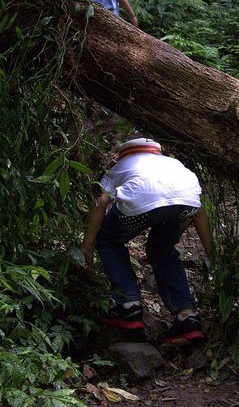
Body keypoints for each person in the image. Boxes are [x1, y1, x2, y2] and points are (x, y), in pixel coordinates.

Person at [81, 137, 213, 345]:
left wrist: (87, 247)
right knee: (162, 250)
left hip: (139, 208)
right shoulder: (174, 165)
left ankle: (128, 307)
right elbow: (198, 211)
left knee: (108, 240)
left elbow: (102, 200)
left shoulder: (119, 165)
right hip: (183, 205)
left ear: (123, 154)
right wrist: (213, 255)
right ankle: (187, 316)